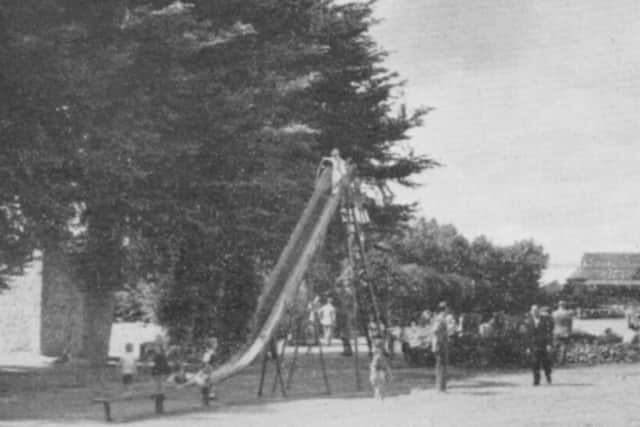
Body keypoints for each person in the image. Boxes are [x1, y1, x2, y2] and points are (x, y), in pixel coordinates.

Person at [525, 305, 554, 386]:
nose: (535, 312)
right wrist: (527, 347)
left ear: (538, 311)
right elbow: (527, 335)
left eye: (536, 311)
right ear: (531, 312)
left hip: (543, 344)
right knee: (535, 363)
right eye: (533, 311)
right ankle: (536, 380)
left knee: (546, 363)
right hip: (533, 345)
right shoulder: (529, 321)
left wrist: (549, 344)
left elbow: (548, 333)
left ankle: (548, 376)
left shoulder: (544, 320)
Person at [432, 302, 450, 392]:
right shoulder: (440, 319)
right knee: (440, 365)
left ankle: (442, 387)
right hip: (440, 344)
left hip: (442, 343)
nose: (448, 310)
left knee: (443, 365)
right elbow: (435, 330)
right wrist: (442, 337)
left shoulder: (442, 318)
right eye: (447, 308)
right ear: (445, 309)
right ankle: (440, 387)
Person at [552, 300, 573, 364]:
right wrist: (569, 331)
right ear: (564, 305)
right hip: (565, 331)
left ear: (558, 305)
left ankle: (553, 360)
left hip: (556, 331)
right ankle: (561, 361)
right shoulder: (568, 313)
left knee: (555, 346)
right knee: (563, 346)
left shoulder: (554, 313)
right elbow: (570, 323)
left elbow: (552, 323)